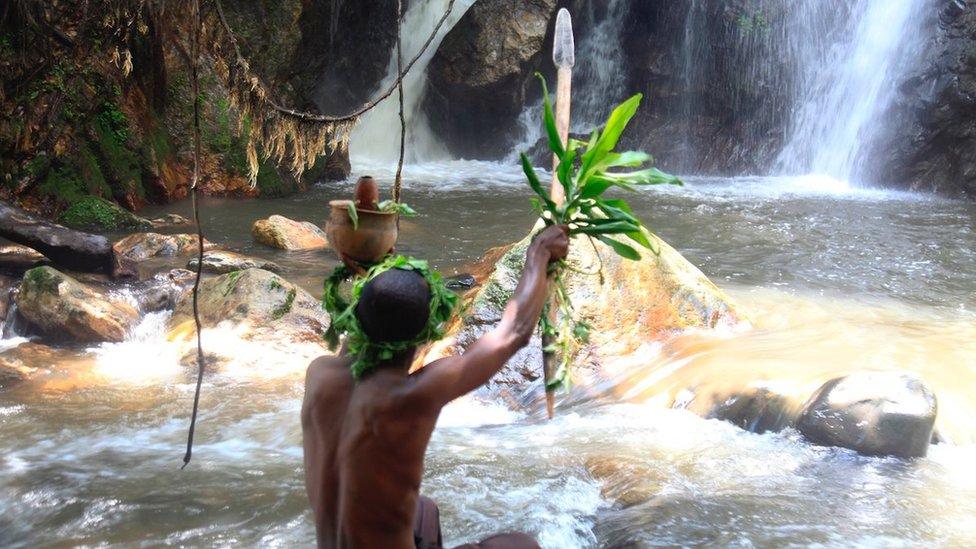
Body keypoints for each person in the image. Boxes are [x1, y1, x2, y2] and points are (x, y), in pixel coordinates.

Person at [302, 225, 570, 548]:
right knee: (519, 545)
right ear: (426, 335)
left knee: (423, 510)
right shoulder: (412, 396)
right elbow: (514, 332)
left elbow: (370, 315)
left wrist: (367, 260)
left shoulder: (319, 374)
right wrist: (539, 251)